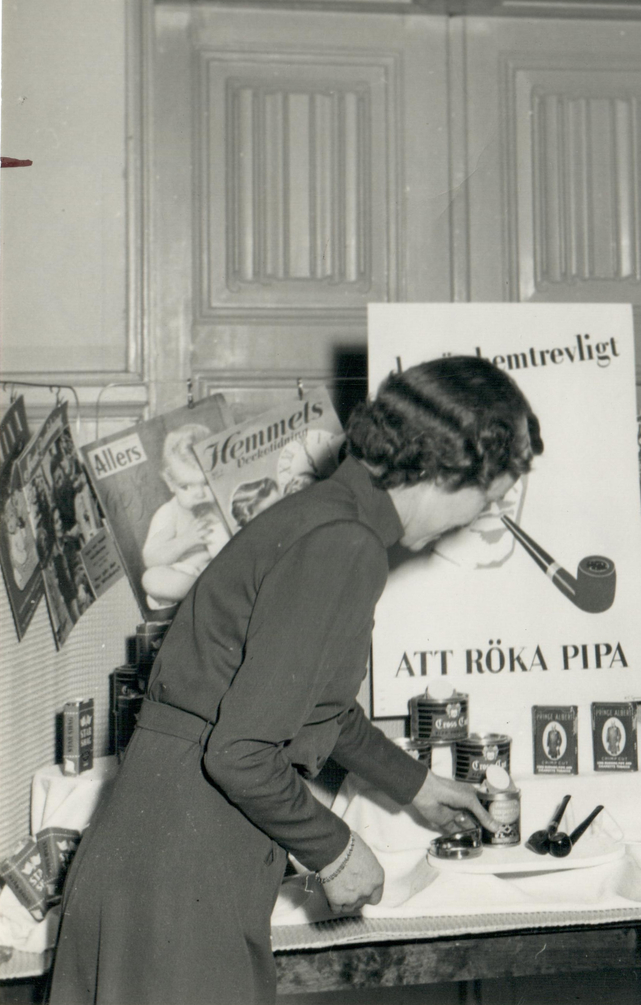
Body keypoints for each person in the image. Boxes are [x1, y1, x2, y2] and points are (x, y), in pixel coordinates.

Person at [50, 356, 543, 1005]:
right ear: (445, 470)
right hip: (187, 858)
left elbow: (315, 707)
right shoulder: (347, 544)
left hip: (162, 842)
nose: (479, 515)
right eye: (487, 495)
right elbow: (240, 752)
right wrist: (336, 851)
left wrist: (416, 783)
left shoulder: (325, 514)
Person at [141, 423, 231, 607]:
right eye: (186, 486)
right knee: (151, 579)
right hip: (187, 577)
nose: (199, 494)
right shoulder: (169, 513)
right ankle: (206, 593)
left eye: (206, 483)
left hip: (224, 572)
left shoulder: (222, 503)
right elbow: (151, 558)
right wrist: (187, 540)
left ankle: (217, 594)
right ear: (170, 482)